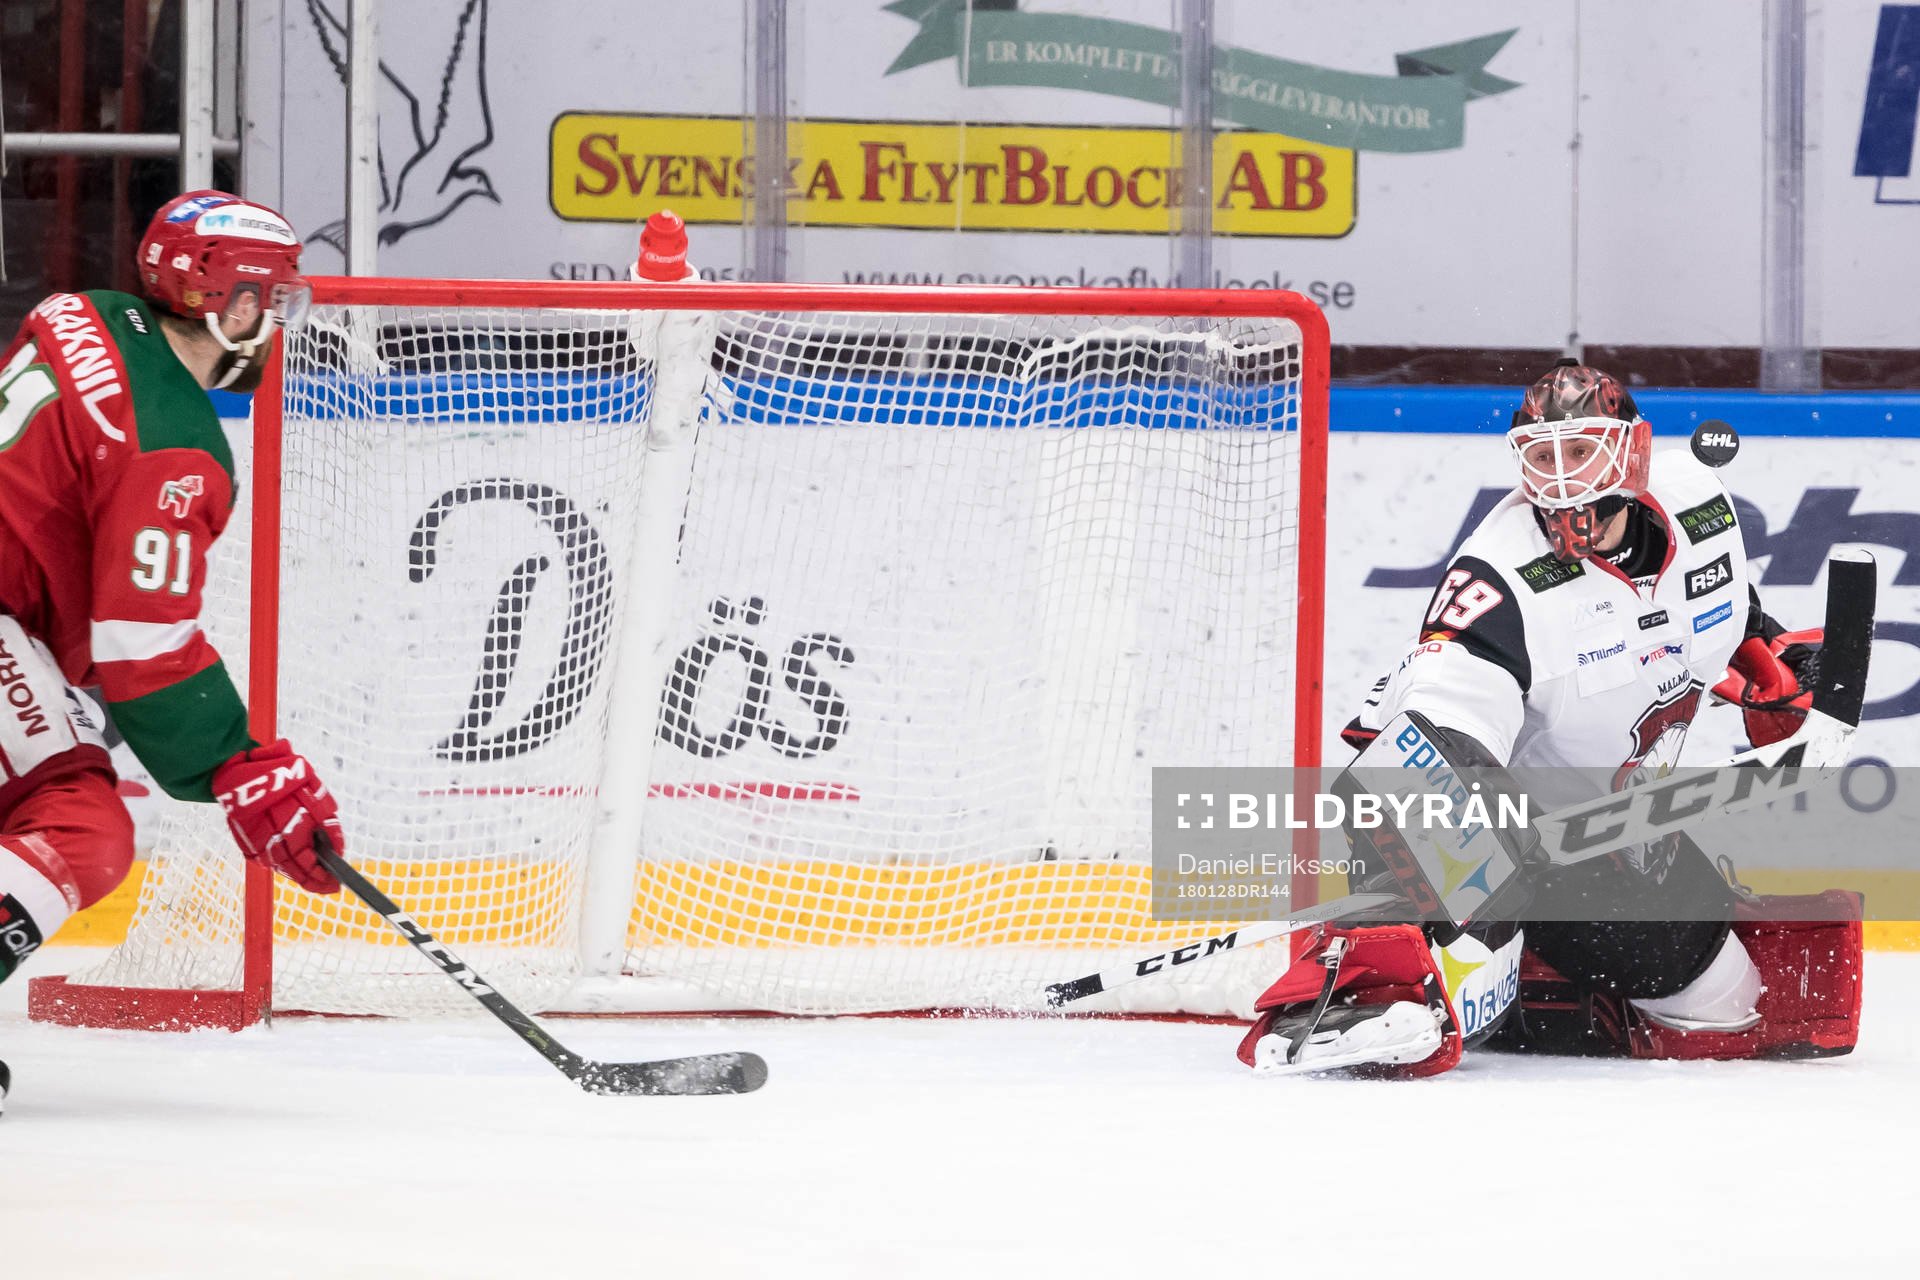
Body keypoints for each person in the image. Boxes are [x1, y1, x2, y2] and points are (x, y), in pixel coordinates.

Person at [1239, 360, 1862, 1076]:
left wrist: (1767, 660)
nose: (1561, 480)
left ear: (1631, 449)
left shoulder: (1698, 501)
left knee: (1725, 1007)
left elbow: (1719, 601)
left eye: (1581, 450)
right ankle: (1375, 973)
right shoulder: (1496, 583)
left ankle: (1545, 980)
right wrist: (1475, 820)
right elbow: (1429, 740)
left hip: (1620, 830)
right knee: (1460, 949)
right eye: (1542, 456)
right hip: (1516, 848)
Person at [0, 191, 346, 1113]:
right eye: (264, 299)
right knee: (80, 824)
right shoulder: (178, 452)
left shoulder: (86, 314)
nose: (272, 322)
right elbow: (141, 649)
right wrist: (239, 764)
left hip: (13, 630)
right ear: (215, 298)